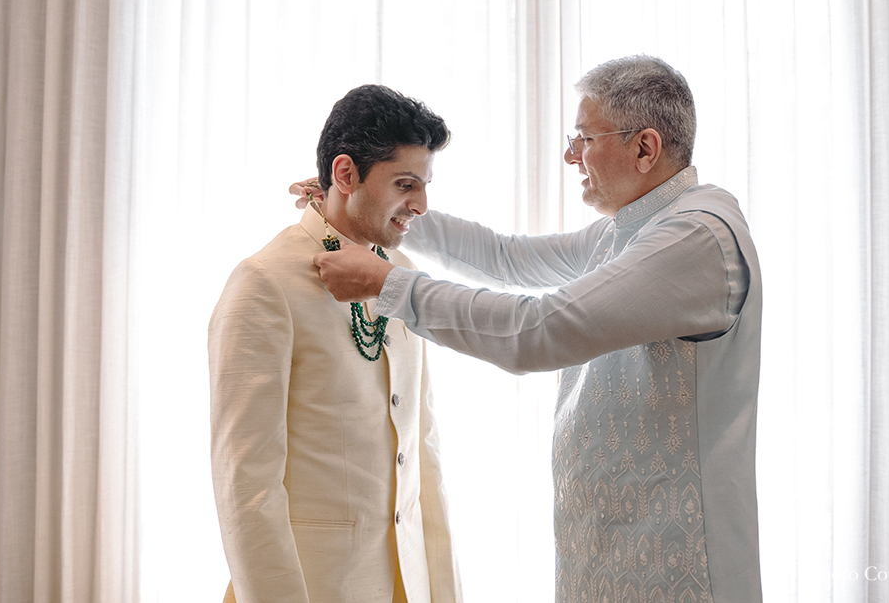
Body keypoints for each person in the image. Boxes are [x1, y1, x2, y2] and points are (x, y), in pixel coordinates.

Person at [306, 56, 763, 603]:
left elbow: (537, 331)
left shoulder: (694, 239)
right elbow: (508, 258)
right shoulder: (631, 230)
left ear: (645, 148)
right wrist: (389, 207)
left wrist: (389, 285)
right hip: (607, 555)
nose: (570, 154)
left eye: (584, 137)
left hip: (678, 568)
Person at [210, 85, 462, 603]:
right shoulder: (264, 284)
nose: (421, 204)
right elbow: (246, 487)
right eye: (405, 183)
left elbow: (423, 453)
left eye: (425, 184)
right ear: (345, 174)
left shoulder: (404, 277)